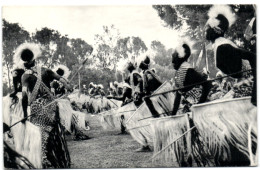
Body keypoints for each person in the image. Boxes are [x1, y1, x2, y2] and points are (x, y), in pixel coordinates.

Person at [17, 43, 72, 168]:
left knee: (40, 134)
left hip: (38, 108)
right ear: (34, 59)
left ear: (24, 63)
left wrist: (25, 114)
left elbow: (25, 96)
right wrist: (68, 86)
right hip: (52, 106)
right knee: (55, 131)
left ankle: (44, 159)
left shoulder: (25, 76)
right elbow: (60, 79)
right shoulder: (46, 70)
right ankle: (59, 158)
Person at [205, 5, 256, 106]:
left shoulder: (223, 46)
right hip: (240, 90)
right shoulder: (221, 45)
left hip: (245, 92)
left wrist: (255, 89)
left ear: (216, 30)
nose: (205, 31)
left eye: (207, 28)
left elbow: (253, 57)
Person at [171, 38, 212, 115]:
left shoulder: (189, 70)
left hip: (202, 110)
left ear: (180, 56)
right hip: (190, 110)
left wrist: (199, 105)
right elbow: (178, 96)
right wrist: (172, 115)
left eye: (174, 57)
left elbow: (208, 85)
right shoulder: (179, 72)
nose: (172, 61)